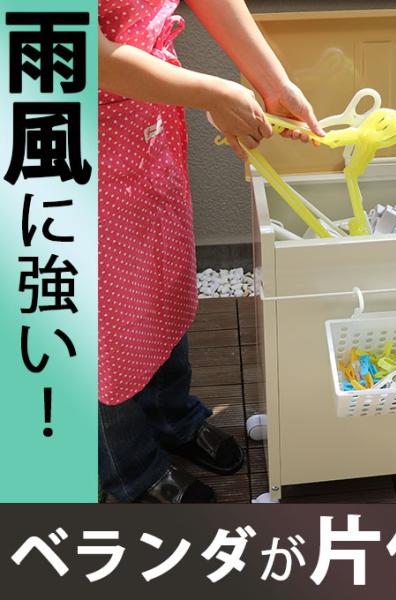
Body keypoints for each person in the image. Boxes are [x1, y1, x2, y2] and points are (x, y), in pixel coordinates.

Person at [98, 0, 324, 503]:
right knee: (101, 320)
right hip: (75, 133)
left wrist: (272, 82)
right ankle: (130, 467)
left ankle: (171, 416)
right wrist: (213, 94)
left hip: (145, 117)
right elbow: (79, 52)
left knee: (161, 280)